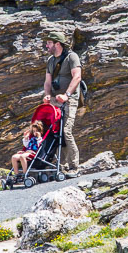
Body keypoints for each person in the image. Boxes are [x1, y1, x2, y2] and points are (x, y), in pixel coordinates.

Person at [42, 31, 82, 178]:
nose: (46, 45)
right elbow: (47, 82)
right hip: (55, 100)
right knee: (53, 131)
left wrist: (66, 95)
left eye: (49, 43)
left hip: (69, 100)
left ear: (57, 43)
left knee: (66, 131)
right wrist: (47, 95)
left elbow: (77, 77)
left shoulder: (72, 57)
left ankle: (74, 167)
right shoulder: (51, 60)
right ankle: (61, 165)